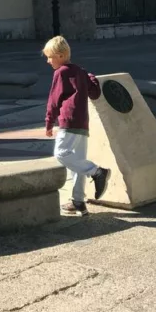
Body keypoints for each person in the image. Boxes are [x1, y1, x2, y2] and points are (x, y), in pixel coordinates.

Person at [43, 35, 110, 216]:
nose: (48, 61)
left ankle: (97, 171)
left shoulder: (61, 72)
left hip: (69, 121)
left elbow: (54, 100)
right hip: (82, 123)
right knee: (77, 162)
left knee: (61, 153)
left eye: (50, 57)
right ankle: (78, 201)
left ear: (61, 55)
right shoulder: (80, 71)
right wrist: (89, 76)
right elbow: (95, 92)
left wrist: (49, 122)